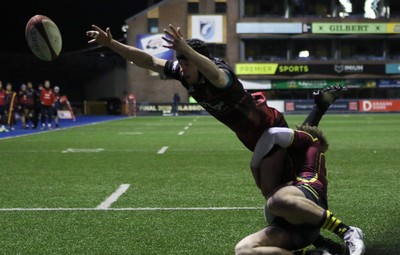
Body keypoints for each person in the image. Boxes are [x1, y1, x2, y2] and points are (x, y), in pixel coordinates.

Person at [86, 24, 343, 198]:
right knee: (292, 161)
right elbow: (148, 60)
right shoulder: (185, 72)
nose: (181, 67)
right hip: (249, 135)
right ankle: (319, 106)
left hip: (266, 124)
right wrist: (112, 44)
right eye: (181, 62)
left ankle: (317, 232)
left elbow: (216, 76)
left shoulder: (219, 73)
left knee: (274, 189)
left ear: (196, 59)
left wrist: (186, 50)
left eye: (186, 62)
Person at [235, 125, 365, 255]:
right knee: (244, 250)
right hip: (298, 232)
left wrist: (254, 166)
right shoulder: (287, 165)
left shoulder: (311, 140)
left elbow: (272, 133)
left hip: (311, 195)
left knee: (275, 201)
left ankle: (346, 231)